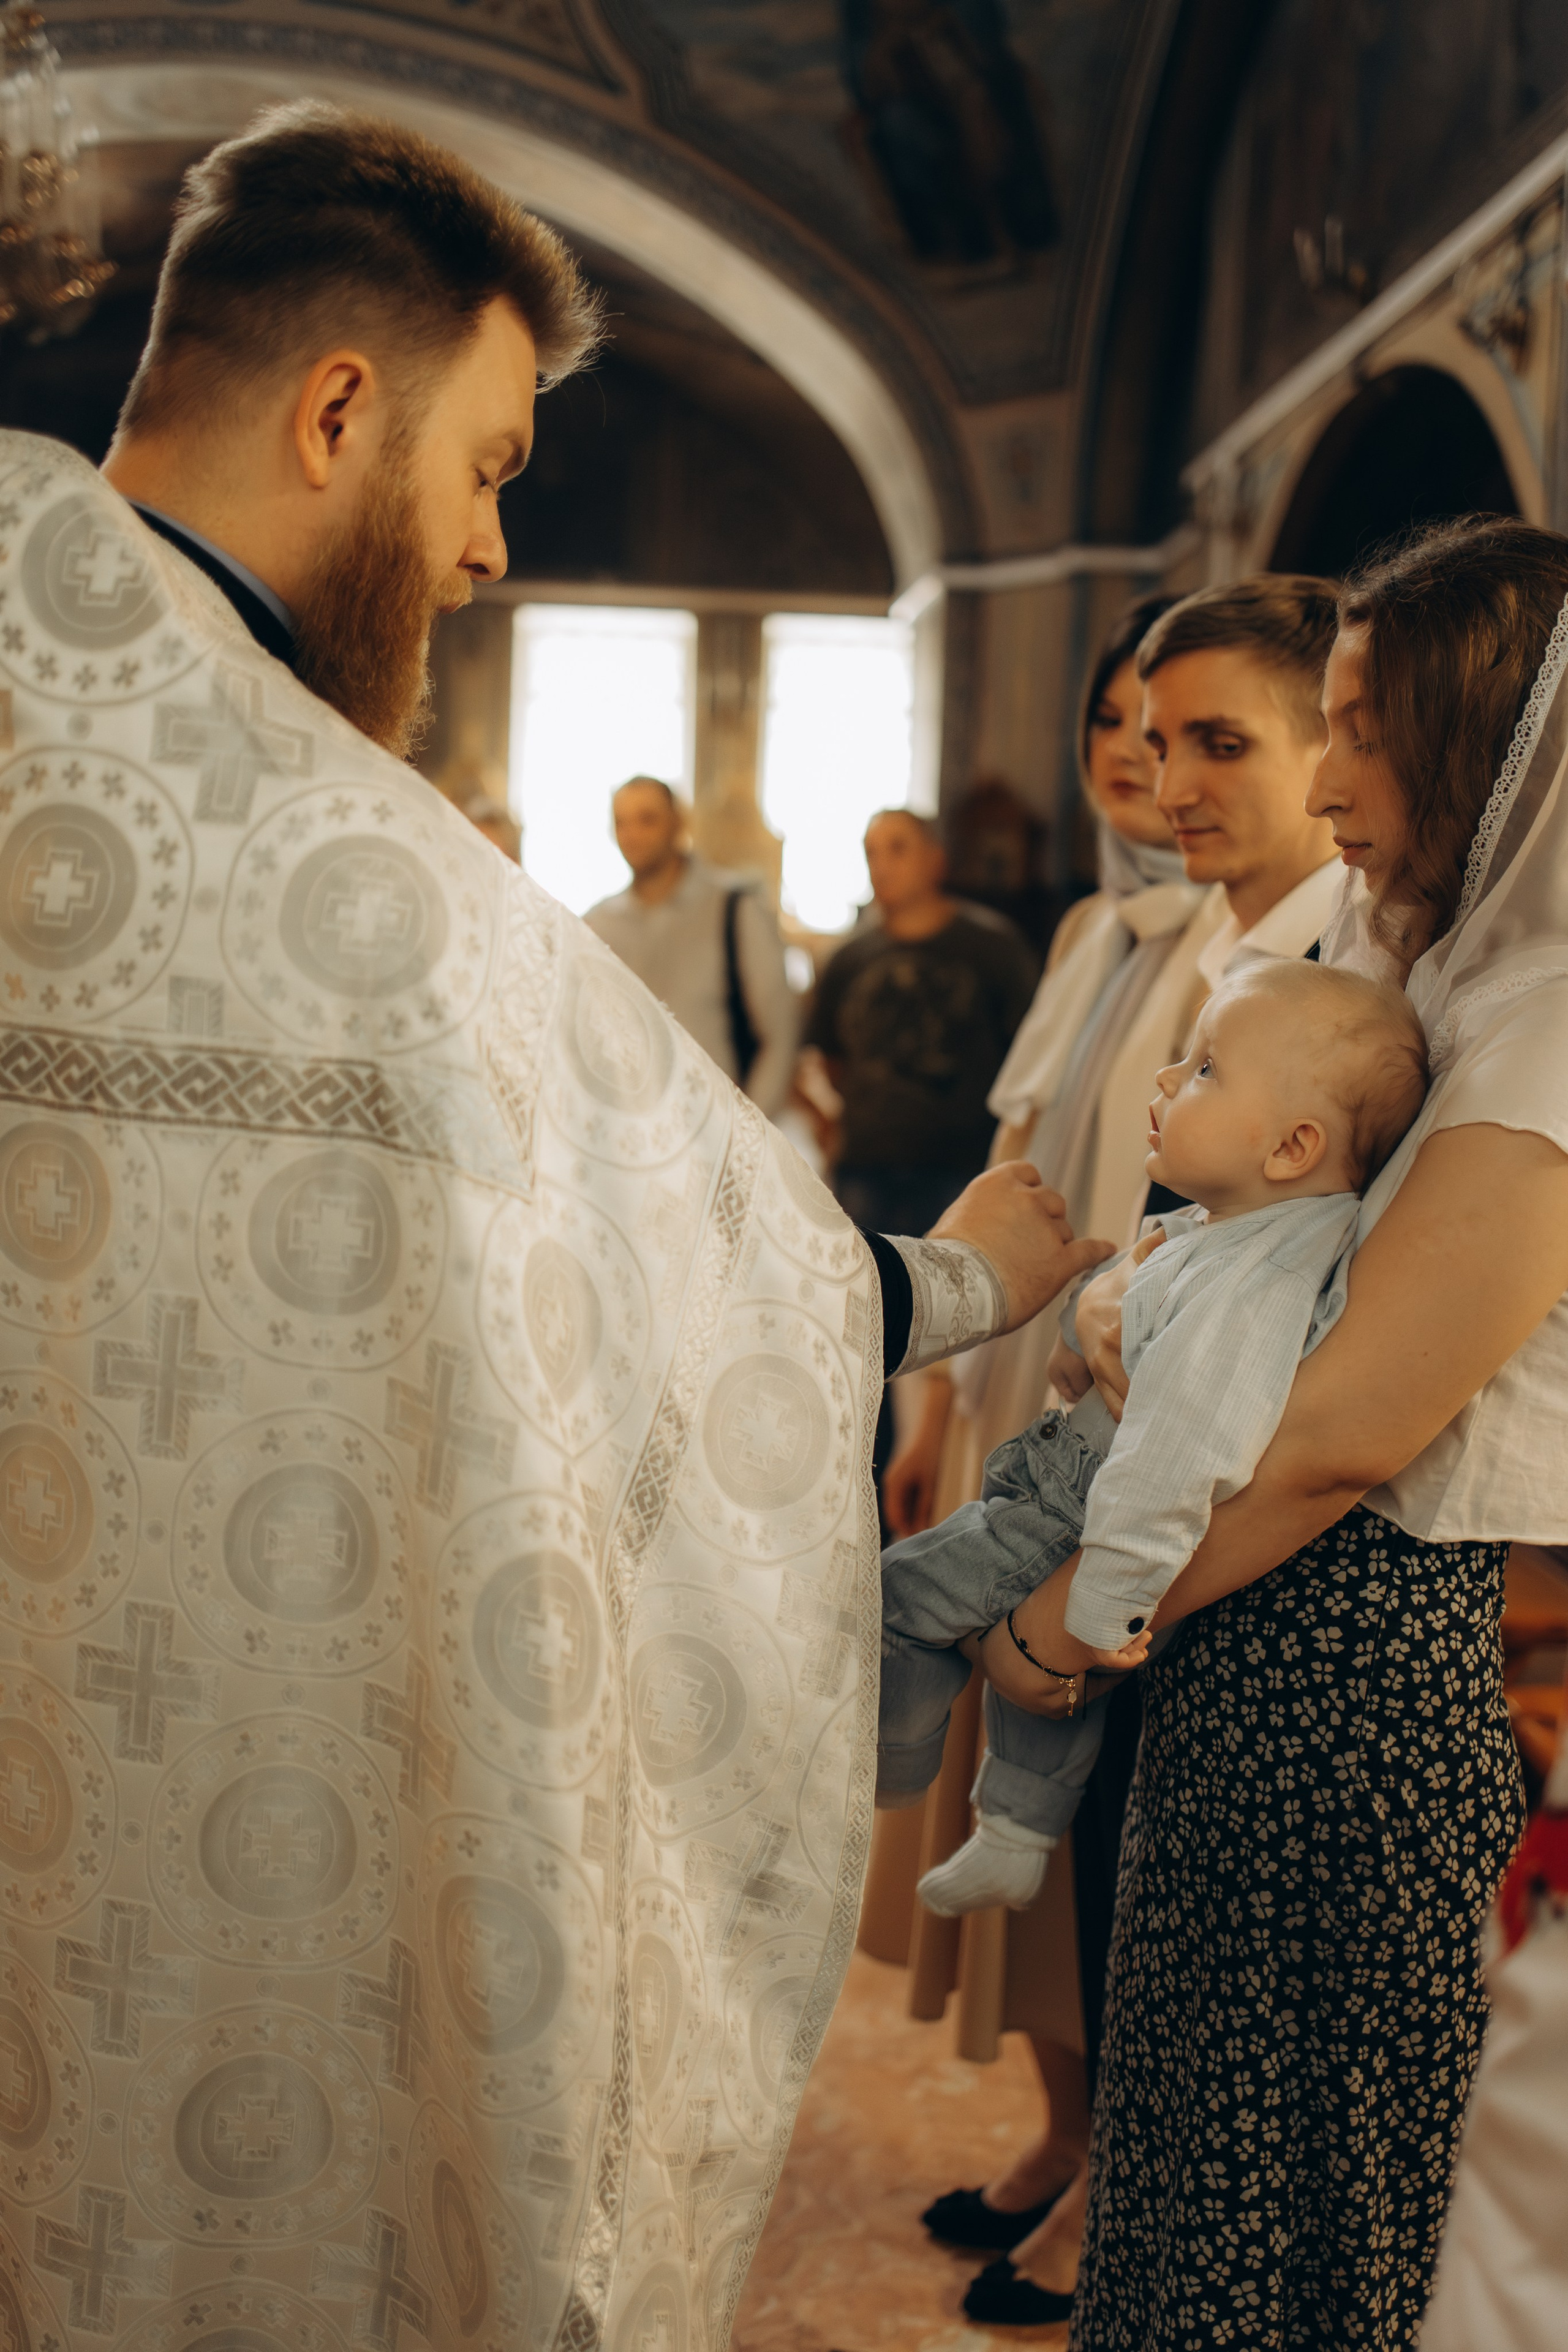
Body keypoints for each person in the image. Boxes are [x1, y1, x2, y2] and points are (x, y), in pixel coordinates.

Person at [0, 101, 1114, 2349]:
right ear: (340, 410)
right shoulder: (378, 881)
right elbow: (683, 1257)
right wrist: (961, 1280)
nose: (492, 550)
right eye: (490, 466)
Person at [987, 514, 1568, 2348]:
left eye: (1357, 731)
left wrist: (1074, 1614)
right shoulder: (1438, 966)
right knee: (1201, 2143)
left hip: (1374, 1667)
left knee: (1305, 2195)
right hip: (1268, 1626)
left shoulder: (1546, 1023)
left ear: (1477, 744)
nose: (1322, 785)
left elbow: (1343, 1422)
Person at [875, 578, 1345, 2324]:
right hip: (1064, 1396)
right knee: (1074, 1837)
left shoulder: (1341, 969)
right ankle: (1074, 2142)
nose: (1164, 776)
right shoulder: (1159, 938)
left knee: (1135, 1845)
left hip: (1199, 1468)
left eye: (1217, 740)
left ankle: (1110, 2180)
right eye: (1149, 741)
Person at [876, 962, 1427, 1915]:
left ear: (1294, 1146)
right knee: (1037, 1697)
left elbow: (1185, 1447)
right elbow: (1111, 1335)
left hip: (1093, 1510)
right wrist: (1084, 1322)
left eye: (1206, 1069)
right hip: (1090, 1494)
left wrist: (1107, 1600)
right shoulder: (1232, 1228)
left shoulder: (1254, 1283)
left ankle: (875, 1765)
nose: (1169, 1079)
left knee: (902, 1592)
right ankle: (1015, 1830)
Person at [805, 805, 1040, 1243]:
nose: (882, 866)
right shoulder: (848, 959)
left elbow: (1032, 1054)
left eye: (897, 849)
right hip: (866, 1165)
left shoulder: (994, 948)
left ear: (936, 859)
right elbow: (828, 1057)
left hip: (960, 1164)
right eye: (871, 853)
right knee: (867, 1295)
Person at [584, 773, 798, 1118]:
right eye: (622, 823)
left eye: (647, 820)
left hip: (713, 1126)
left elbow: (780, 1034)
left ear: (677, 823)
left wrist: (749, 1134)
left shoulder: (734, 908)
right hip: (625, 1132)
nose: (633, 835)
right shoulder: (599, 923)